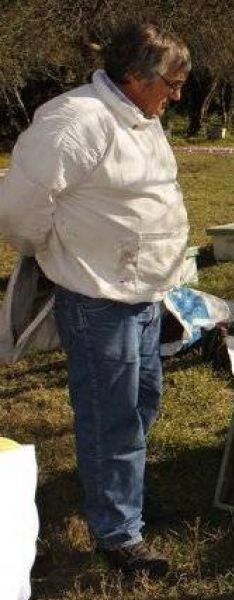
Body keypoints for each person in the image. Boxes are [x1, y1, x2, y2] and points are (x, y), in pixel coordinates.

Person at [0, 24, 191, 577]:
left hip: (146, 292)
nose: (177, 95)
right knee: (111, 417)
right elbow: (18, 211)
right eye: (172, 84)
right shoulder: (73, 120)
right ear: (135, 77)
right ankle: (117, 535)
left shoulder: (141, 115)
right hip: (97, 296)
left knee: (142, 402)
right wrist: (54, 252)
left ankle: (122, 496)